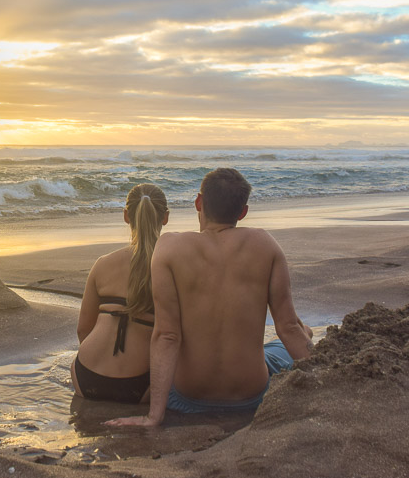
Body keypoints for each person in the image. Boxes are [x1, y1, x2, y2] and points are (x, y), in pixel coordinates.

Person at [107, 168, 311, 426]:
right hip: (252, 398)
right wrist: (330, 388)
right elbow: (288, 327)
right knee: (294, 336)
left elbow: (167, 336)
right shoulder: (266, 244)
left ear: (198, 203)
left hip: (188, 401)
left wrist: (153, 417)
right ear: (243, 212)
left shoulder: (169, 247)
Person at [71, 183, 169, 403]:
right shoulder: (172, 266)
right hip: (139, 383)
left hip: (85, 375)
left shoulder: (103, 264)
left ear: (126, 216)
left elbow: (83, 330)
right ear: (165, 218)